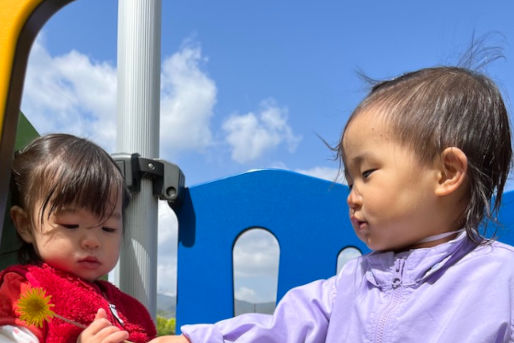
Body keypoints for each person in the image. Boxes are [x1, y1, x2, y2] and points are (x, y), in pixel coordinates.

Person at [156, 66, 514, 342]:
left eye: (368, 172)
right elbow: (279, 330)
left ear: (446, 173)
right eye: (350, 178)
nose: (352, 196)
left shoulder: (501, 279)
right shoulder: (349, 285)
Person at [0, 134, 156, 342]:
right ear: (24, 224)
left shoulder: (133, 311)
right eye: (71, 225)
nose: (93, 240)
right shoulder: (24, 288)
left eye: (108, 228)